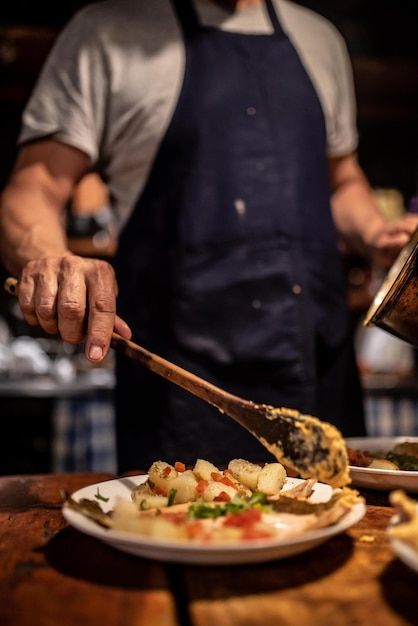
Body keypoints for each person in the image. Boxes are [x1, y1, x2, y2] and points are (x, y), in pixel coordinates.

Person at [0, 0, 417, 472]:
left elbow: (342, 181)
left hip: (319, 375)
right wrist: (49, 257)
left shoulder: (319, 38)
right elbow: (31, 188)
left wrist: (378, 232)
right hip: (182, 390)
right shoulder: (107, 32)